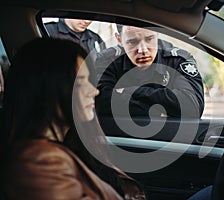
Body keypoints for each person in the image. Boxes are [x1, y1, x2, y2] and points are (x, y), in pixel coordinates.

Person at [1, 38, 146, 200]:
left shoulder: (72, 144)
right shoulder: (39, 162)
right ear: (46, 89)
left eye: (89, 81)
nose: (94, 91)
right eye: (79, 83)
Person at [95, 25, 204, 118]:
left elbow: (193, 106)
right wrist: (155, 112)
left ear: (157, 34)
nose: (143, 50)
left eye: (149, 39)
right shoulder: (107, 60)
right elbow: (99, 102)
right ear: (119, 40)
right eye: (133, 42)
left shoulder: (178, 59)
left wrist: (129, 91)